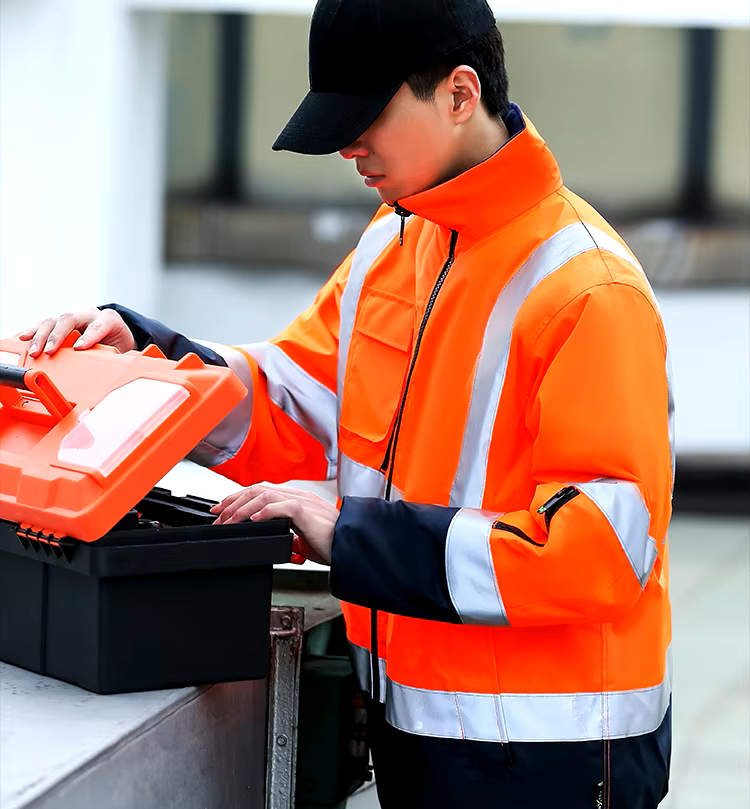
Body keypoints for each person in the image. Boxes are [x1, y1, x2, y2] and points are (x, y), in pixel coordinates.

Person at [21, 1, 673, 806]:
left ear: (460, 94)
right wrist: (147, 363)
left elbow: (601, 552)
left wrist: (355, 532)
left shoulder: (589, 290)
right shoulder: (393, 244)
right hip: (417, 732)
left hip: (552, 758)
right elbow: (294, 396)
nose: (346, 146)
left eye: (365, 118)